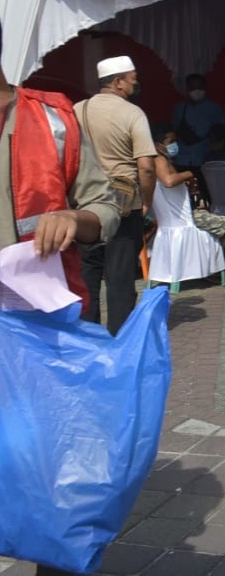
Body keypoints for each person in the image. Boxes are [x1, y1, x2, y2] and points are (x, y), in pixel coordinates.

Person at [0, 33, 122, 576]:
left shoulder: (53, 119)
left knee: (51, 467)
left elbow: (104, 204)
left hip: (40, 329)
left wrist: (75, 220)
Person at [75, 55, 157, 335]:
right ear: (119, 82)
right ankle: (120, 339)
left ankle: (87, 335)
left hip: (85, 204)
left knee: (88, 272)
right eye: (132, 78)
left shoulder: (77, 110)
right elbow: (146, 167)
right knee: (120, 278)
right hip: (124, 205)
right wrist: (146, 200)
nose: (136, 83)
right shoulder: (132, 113)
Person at [149, 122, 225, 252]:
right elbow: (168, 181)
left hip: (176, 217)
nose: (175, 145)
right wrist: (189, 174)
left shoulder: (159, 161)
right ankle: (216, 260)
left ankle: (211, 258)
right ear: (158, 145)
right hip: (184, 217)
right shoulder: (160, 161)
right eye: (171, 141)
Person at [171, 73, 225, 187]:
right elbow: (174, 131)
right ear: (187, 89)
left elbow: (222, 133)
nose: (197, 91)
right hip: (183, 158)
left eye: (200, 88)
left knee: (209, 191)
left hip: (204, 158)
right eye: (193, 88)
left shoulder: (213, 108)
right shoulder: (180, 108)